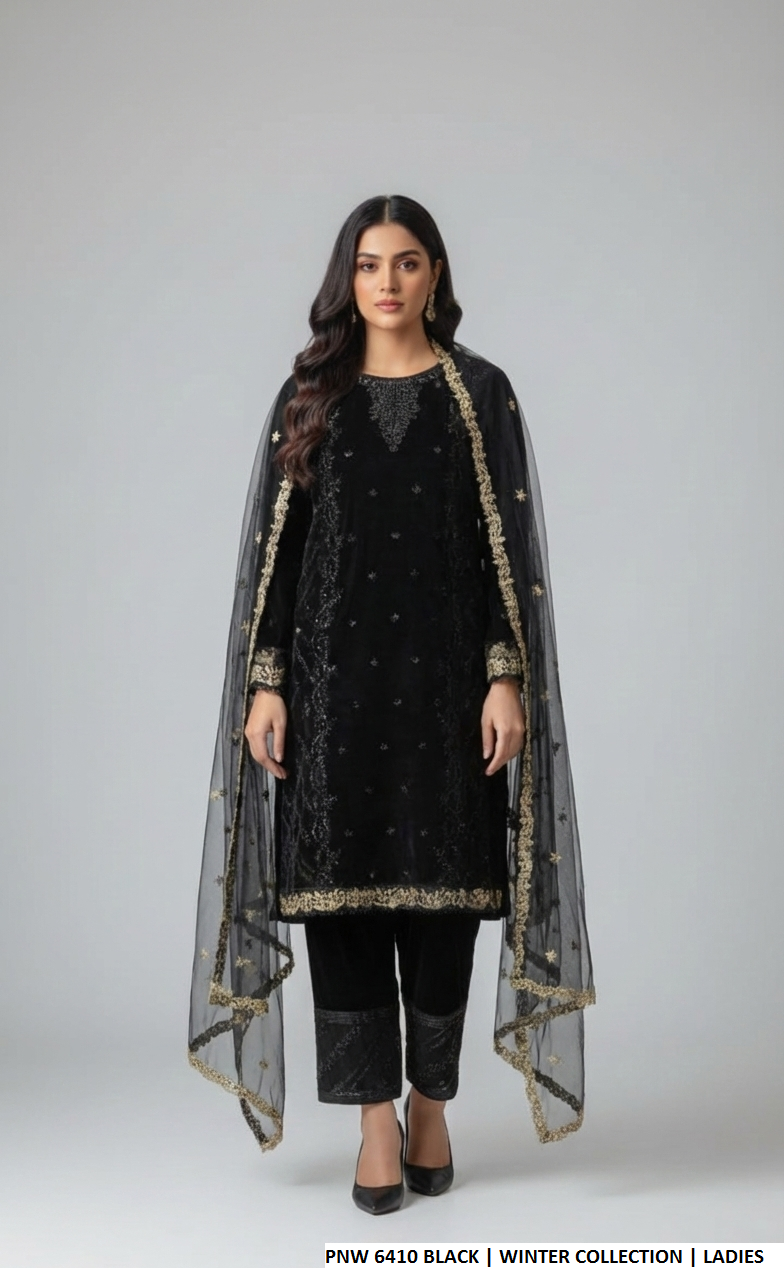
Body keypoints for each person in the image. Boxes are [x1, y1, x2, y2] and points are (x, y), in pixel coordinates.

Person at [188, 195, 594, 1215]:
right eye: (368, 264)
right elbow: (278, 559)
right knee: (344, 907)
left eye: (407, 262)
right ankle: (374, 1120)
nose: (387, 282)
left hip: (446, 693)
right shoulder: (310, 396)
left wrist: (505, 676)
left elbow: (504, 558)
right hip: (333, 697)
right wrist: (267, 682)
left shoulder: (480, 393)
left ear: (435, 274)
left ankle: (430, 1103)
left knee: (444, 902)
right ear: (347, 277)